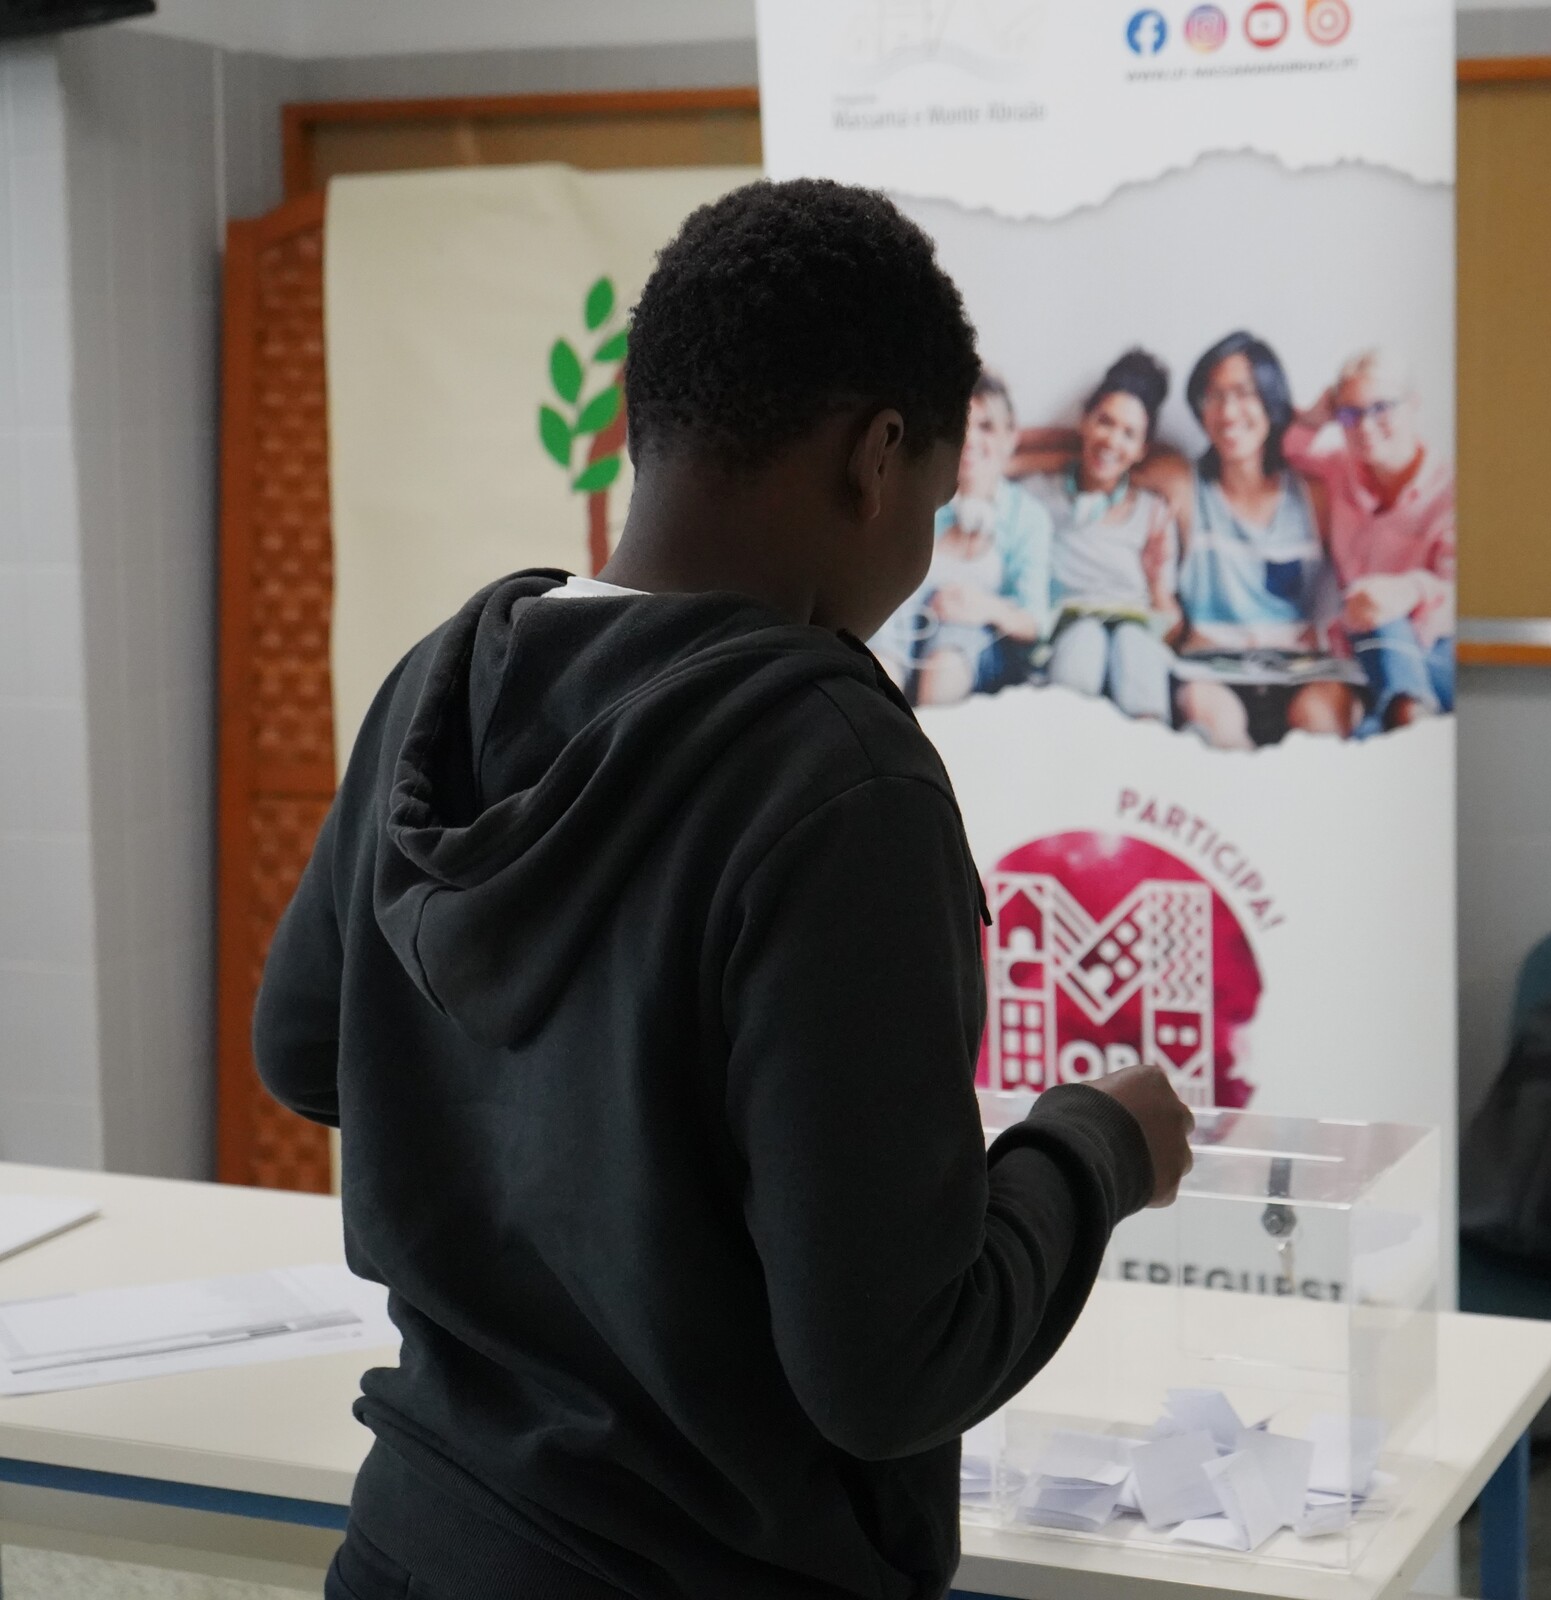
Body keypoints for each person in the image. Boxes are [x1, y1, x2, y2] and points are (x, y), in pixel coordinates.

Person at [254, 179, 1194, 1600]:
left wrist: (567, 1142)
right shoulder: (836, 773)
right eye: (935, 506)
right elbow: (890, 1368)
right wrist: (1095, 1149)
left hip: (414, 1548)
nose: (919, 555)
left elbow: (302, 1048)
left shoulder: (439, 687)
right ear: (877, 458)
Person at [1145, 330, 1363, 750]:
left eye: (1244, 393)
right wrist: (1016, 450)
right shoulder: (1184, 485)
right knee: (1217, 726)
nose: (1228, 412)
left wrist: (1310, 419)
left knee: (1320, 724)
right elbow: (1107, 454)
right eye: (1213, 396)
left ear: (1270, 399)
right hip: (1210, 672)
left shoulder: (1313, 494)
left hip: (1303, 671)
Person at [1286, 349, 1455, 735]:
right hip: (1362, 653)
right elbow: (1288, 448)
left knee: (1379, 609)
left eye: (1381, 408)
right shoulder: (1339, 468)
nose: (1364, 426)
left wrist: (1409, 592)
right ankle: (1403, 715)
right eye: (1350, 413)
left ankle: (1404, 710)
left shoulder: (1451, 488)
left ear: (1413, 404)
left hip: (1434, 651)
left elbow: (1463, 594)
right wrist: (1315, 416)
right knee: (1366, 611)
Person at [873, 369, 1050, 706]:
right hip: (909, 623)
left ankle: (930, 724)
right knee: (882, 634)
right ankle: (880, 721)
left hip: (969, 634)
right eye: (960, 426)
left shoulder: (1027, 517)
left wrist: (983, 607)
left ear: (1010, 437)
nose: (969, 439)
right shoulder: (921, 497)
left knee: (950, 650)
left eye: (986, 426)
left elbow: (1035, 623)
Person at [1025, 349, 1179, 722]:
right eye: (1105, 422)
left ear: (1142, 450)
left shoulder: (1154, 513)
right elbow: (993, 457)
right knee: (1085, 638)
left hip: (1137, 646)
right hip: (1067, 640)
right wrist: (1050, 458)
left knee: (1133, 641)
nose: (1112, 441)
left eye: (1129, 434)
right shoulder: (1038, 497)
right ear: (1084, 422)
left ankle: (1147, 741)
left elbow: (1172, 629)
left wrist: (1156, 581)